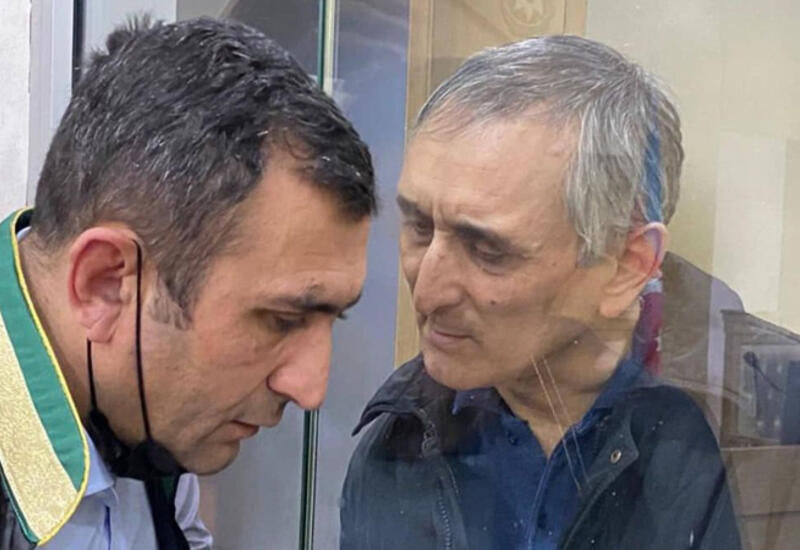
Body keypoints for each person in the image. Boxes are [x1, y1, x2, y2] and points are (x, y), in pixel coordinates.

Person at [340, 35, 740, 550]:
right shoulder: (398, 443)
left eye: (487, 249)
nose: (427, 293)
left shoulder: (751, 441)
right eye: (419, 226)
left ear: (627, 266)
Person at [0, 16, 376, 550]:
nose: (311, 389)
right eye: (282, 320)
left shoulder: (140, 413)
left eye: (333, 317)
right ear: (105, 284)